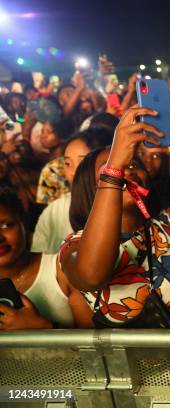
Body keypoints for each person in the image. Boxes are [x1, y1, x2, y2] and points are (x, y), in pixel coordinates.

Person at [59, 106, 170, 324]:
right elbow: (91, 275)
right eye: (110, 168)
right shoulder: (74, 244)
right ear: (90, 187)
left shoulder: (169, 223)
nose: (126, 170)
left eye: (133, 164)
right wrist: (114, 166)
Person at [0, 186, 92, 329]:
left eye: (6, 225)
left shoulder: (62, 271)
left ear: (23, 222)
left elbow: (96, 345)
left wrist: (43, 327)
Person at [32, 127, 114, 254]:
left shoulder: (121, 204)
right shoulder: (53, 212)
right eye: (68, 163)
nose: (73, 171)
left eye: (82, 162)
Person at [36, 118, 76, 204]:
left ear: (62, 137)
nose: (43, 135)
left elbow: (45, 204)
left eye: (49, 132)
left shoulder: (52, 168)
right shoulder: (45, 158)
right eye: (42, 131)